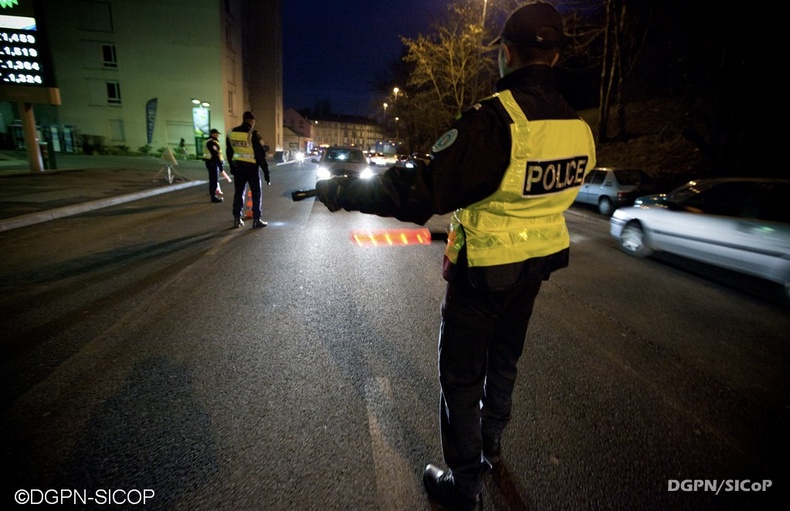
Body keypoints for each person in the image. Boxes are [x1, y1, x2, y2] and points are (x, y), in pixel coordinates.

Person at [315, 2, 596, 509]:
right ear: (555, 57)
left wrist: (341, 190)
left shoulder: (496, 122)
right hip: (536, 268)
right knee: (505, 360)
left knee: (461, 377)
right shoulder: (577, 127)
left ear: (506, 53)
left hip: (484, 272)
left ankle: (464, 485)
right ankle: (491, 446)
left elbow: (422, 190)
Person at [225, 111, 270, 228]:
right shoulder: (253, 134)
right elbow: (260, 155)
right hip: (252, 169)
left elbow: (229, 152)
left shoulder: (231, 133)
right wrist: (266, 172)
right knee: (256, 194)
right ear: (251, 121)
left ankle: (237, 218)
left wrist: (232, 166)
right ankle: (256, 219)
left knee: (239, 193)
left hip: (238, 167)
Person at [203, 128, 224, 203]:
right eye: (216, 134)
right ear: (212, 134)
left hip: (210, 162)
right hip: (213, 162)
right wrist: (220, 164)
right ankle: (213, 196)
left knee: (213, 179)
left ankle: (213, 194)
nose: (217, 135)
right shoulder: (211, 142)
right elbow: (215, 154)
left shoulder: (209, 141)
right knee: (214, 180)